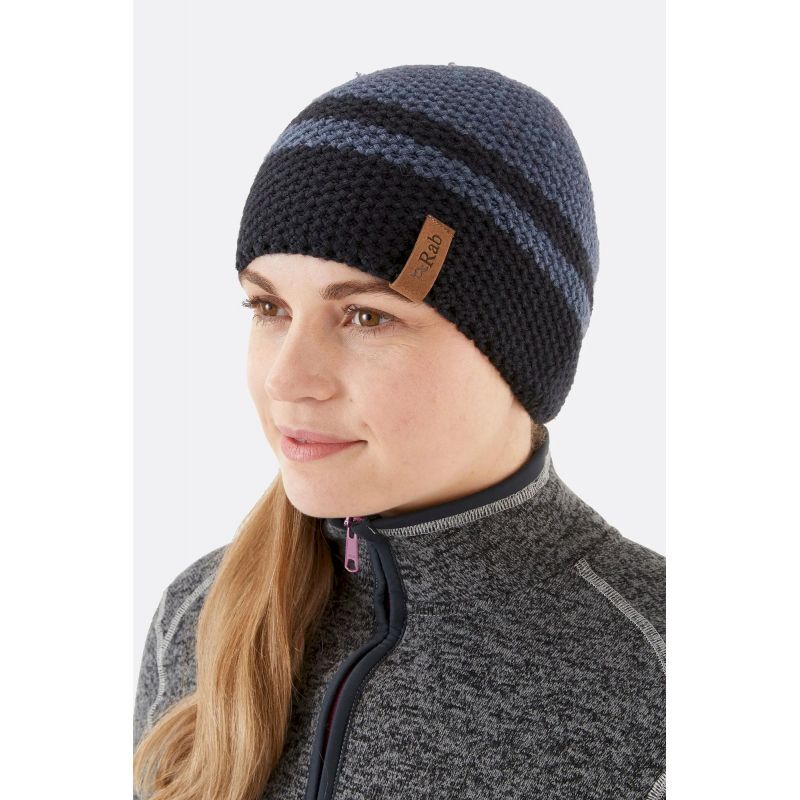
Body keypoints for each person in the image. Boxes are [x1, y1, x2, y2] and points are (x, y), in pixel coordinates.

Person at [133, 63, 666, 800]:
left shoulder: (662, 667)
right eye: (269, 309)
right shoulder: (199, 610)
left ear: (519, 353)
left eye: (367, 316)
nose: (287, 379)